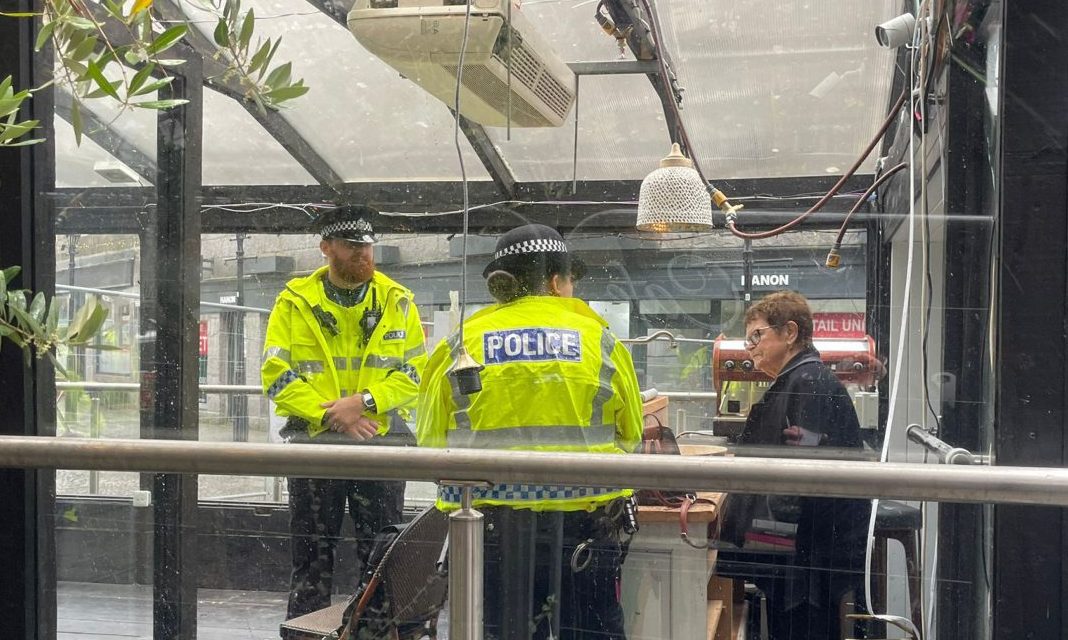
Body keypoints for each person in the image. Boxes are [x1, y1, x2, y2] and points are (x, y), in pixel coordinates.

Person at [416, 223, 644, 640]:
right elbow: (631, 438)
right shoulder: (601, 341)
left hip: (489, 532)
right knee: (593, 632)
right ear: (557, 282)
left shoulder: (461, 344)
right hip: (585, 530)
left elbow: (429, 443)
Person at [261, 204, 427, 621]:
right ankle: (305, 633)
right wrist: (334, 415)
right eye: (352, 246)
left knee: (383, 556)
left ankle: (371, 632)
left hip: (378, 441)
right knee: (311, 559)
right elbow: (276, 375)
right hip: (317, 445)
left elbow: (415, 372)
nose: (364, 254)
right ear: (326, 248)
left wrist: (362, 403)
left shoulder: (397, 301)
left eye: (368, 246)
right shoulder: (294, 302)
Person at [726, 290, 870, 639]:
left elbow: (802, 477)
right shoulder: (802, 379)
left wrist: (773, 544)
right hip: (802, 552)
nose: (750, 347)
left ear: (789, 333)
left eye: (756, 336)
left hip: (806, 558)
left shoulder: (807, 382)